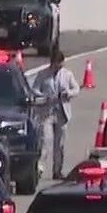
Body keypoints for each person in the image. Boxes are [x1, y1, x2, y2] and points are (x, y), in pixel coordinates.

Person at [31, 48, 80, 180]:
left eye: (60, 64)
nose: (58, 66)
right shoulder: (43, 74)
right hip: (46, 112)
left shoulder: (67, 74)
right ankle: (39, 169)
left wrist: (68, 93)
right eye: (56, 64)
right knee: (46, 141)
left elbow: (76, 89)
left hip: (62, 113)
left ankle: (57, 170)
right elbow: (34, 89)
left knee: (60, 144)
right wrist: (43, 96)